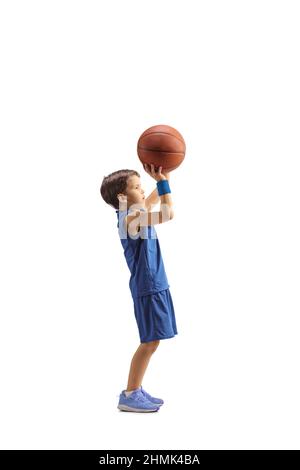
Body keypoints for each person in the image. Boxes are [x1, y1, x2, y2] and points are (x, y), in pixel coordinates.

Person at [100, 163, 178, 412]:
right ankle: (130, 394)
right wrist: (164, 185)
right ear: (122, 197)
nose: (141, 190)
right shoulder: (131, 219)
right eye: (136, 187)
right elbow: (167, 213)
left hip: (153, 283)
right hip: (148, 286)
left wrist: (162, 179)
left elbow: (151, 203)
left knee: (152, 340)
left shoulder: (132, 213)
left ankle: (135, 389)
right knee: (150, 341)